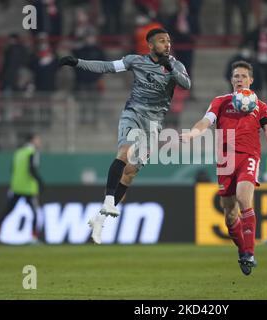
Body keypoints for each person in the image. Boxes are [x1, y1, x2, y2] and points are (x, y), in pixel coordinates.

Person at [59, 28, 191, 244]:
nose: (167, 44)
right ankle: (109, 200)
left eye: (168, 40)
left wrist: (170, 68)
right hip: (133, 114)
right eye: (161, 41)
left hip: (153, 125)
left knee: (129, 173)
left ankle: (99, 219)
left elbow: (186, 84)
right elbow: (107, 67)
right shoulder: (135, 61)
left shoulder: (176, 65)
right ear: (150, 45)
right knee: (124, 151)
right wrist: (77, 62)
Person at [180, 61, 267, 276]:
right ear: (231, 80)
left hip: (249, 156)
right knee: (229, 214)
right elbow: (205, 121)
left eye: (243, 76)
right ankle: (242, 250)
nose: (239, 79)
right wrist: (193, 133)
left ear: (251, 80)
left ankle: (250, 253)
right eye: (236, 76)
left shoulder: (260, 105)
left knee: (243, 197)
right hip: (225, 161)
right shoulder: (221, 102)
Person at [0, 133, 44, 243]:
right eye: (38, 139)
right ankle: (34, 237)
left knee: (8, 210)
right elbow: (32, 169)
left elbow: (12, 169)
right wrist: (40, 182)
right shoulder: (32, 152)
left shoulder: (18, 152)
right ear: (32, 140)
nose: (39, 142)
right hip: (28, 188)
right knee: (35, 212)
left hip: (16, 187)